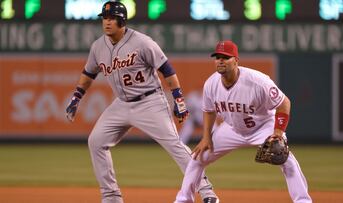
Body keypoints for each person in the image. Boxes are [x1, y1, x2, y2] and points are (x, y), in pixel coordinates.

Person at [65, 1, 218, 203]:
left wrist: (178, 98)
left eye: (111, 18)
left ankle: (207, 192)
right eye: (104, 18)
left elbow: (167, 69)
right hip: (121, 104)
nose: (107, 22)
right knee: (96, 141)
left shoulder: (142, 42)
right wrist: (76, 97)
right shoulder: (98, 47)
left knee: (175, 144)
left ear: (122, 20)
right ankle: (111, 197)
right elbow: (88, 73)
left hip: (150, 101)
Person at [174, 40, 312, 203]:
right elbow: (209, 111)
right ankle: (183, 200)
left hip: (262, 126)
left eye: (225, 57)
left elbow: (284, 103)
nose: (220, 61)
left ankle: (303, 201)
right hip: (232, 129)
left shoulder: (257, 81)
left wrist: (278, 133)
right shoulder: (211, 83)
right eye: (217, 57)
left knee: (286, 160)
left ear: (236, 61)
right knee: (197, 158)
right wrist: (206, 137)